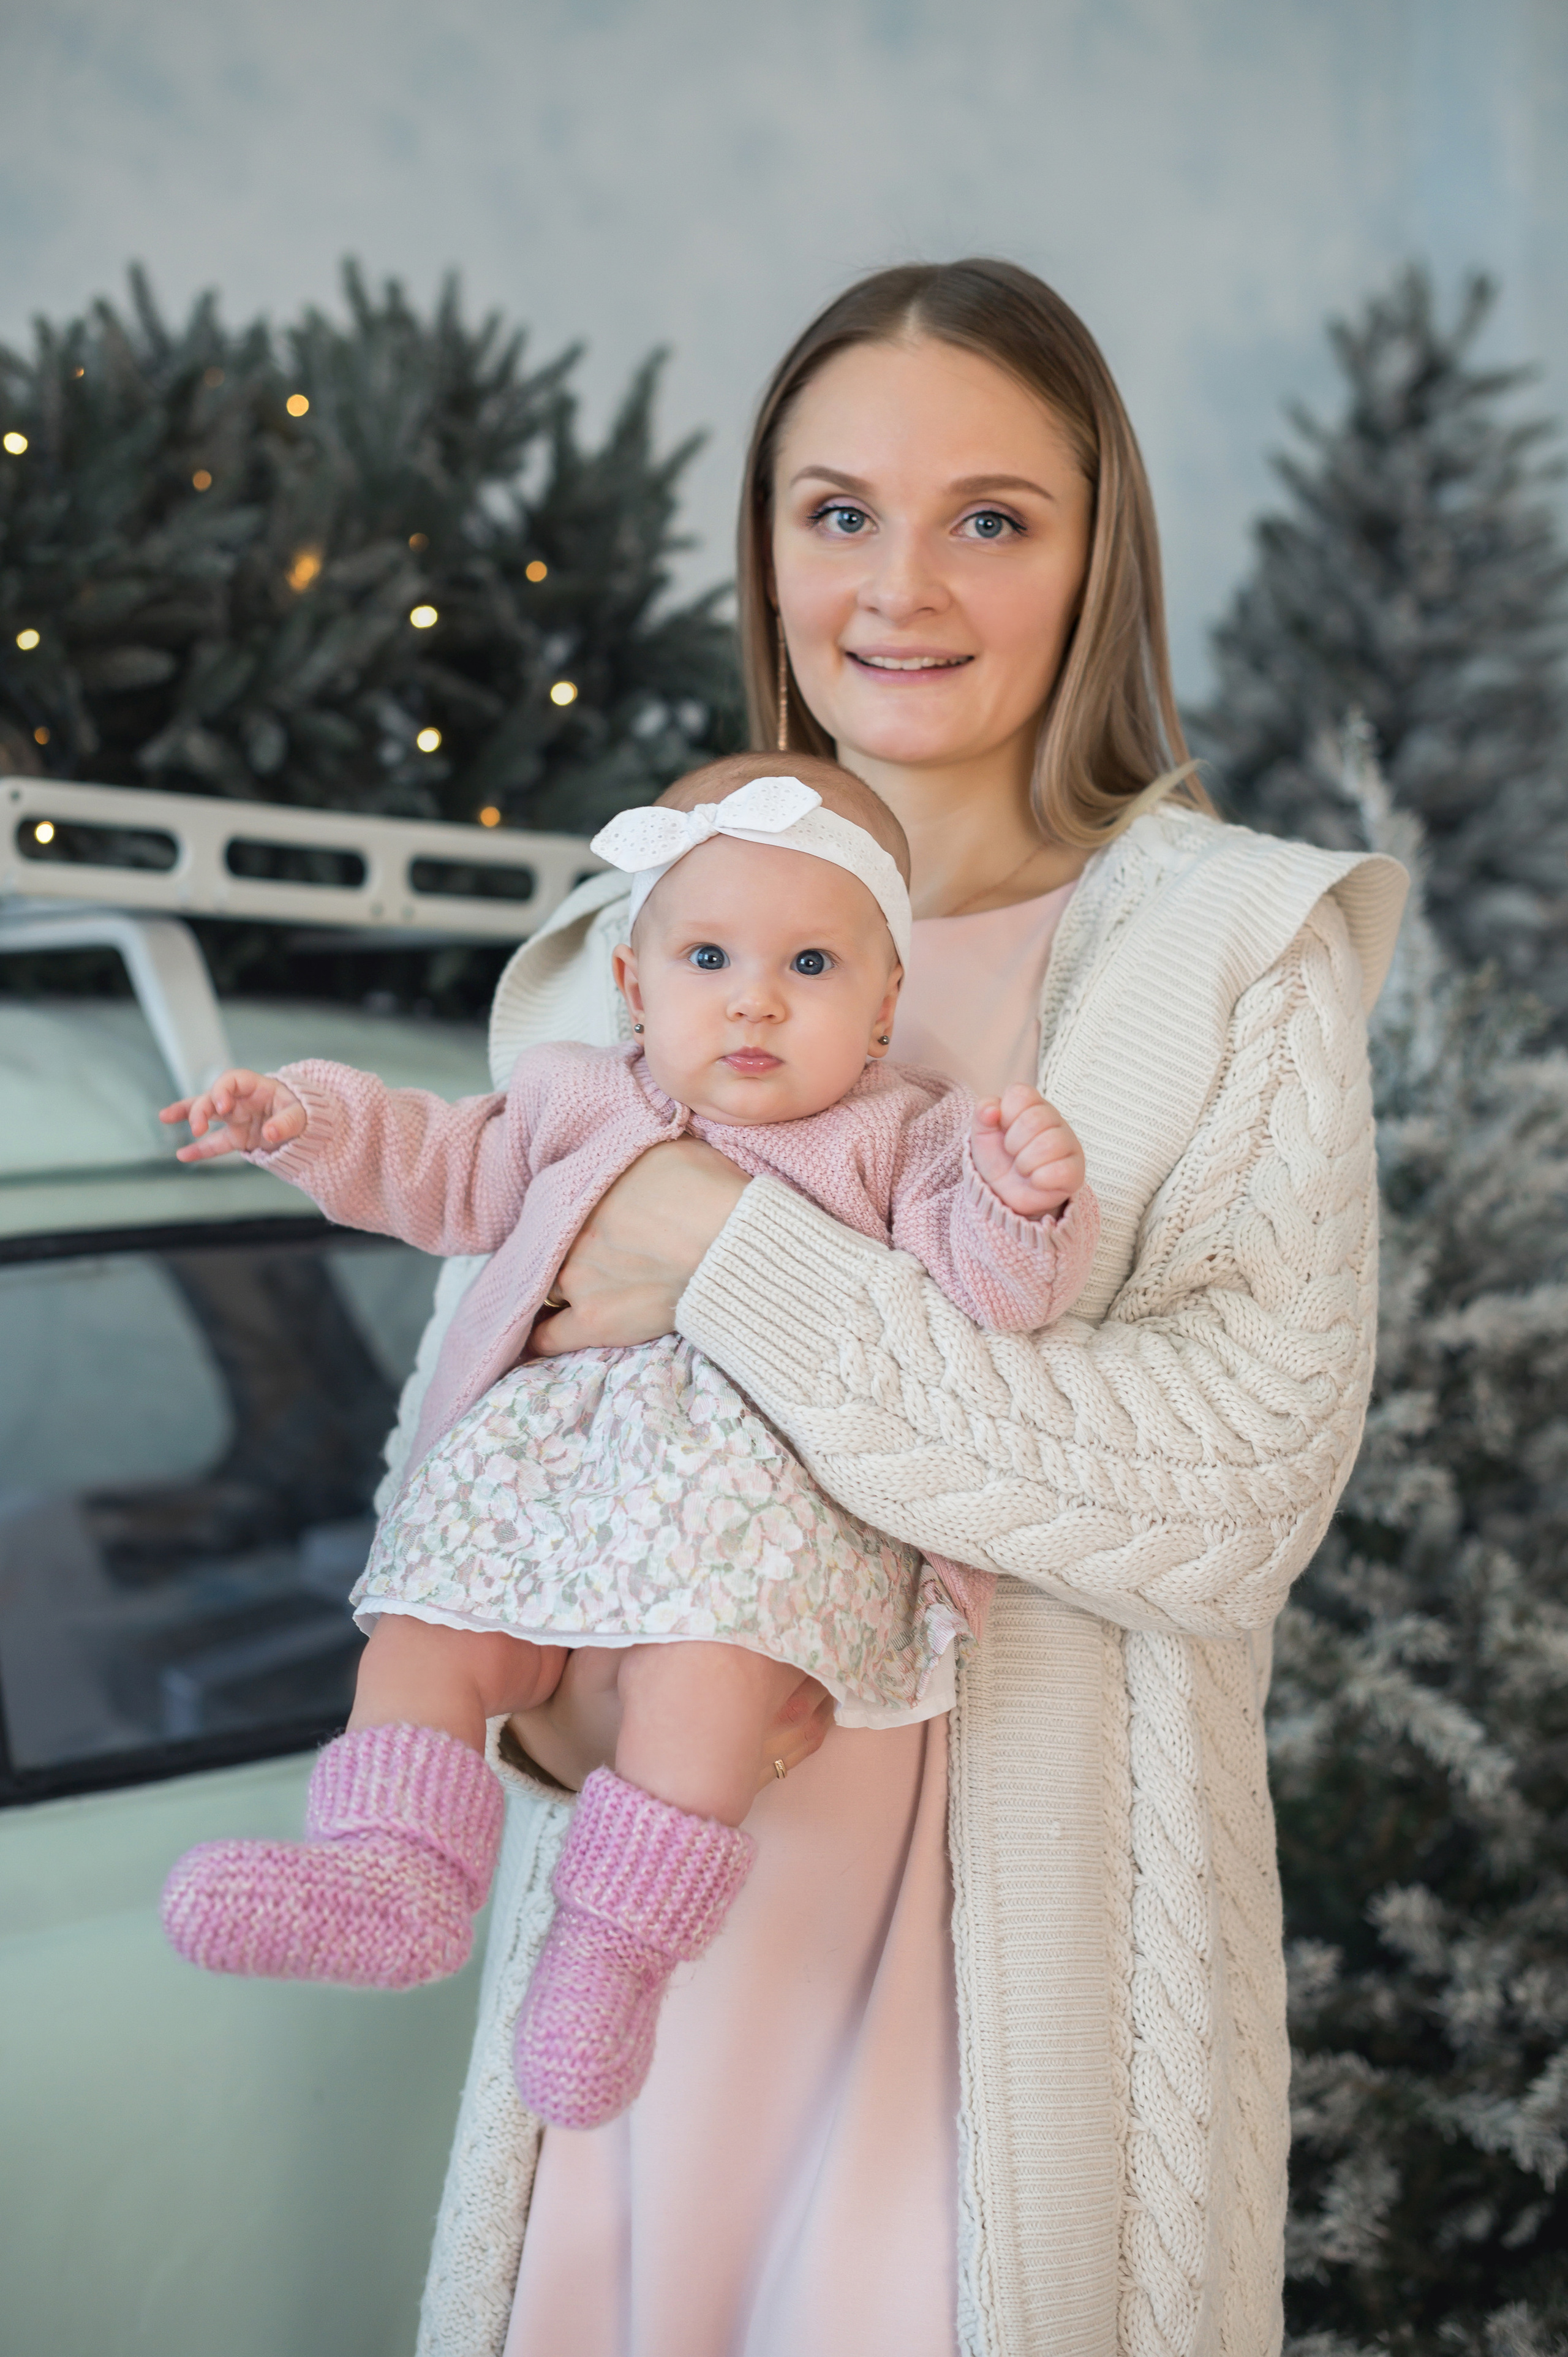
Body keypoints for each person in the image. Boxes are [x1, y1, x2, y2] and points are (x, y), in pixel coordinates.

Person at [410, 259, 1408, 2357]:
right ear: (767, 546)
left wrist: (718, 1253)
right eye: (838, 511)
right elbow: (470, 1479)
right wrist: (576, 1716)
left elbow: (1230, 1486)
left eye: (992, 517)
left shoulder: (1229, 950)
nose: (902, 586)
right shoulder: (630, 948)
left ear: (1094, 548)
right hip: (669, 1944)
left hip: (1027, 1991)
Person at [156, 750, 1099, 2136]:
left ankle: (611, 1944)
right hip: (531, 1499)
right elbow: (435, 1163)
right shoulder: (565, 1099)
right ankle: (392, 1871)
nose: (755, 999)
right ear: (633, 987)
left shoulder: (902, 1137)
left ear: (886, 999)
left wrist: (1021, 1205)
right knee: (424, 1626)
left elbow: (990, 1295)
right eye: (708, 955)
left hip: (744, 1531)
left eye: (813, 965)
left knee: (704, 1673)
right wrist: (307, 1118)